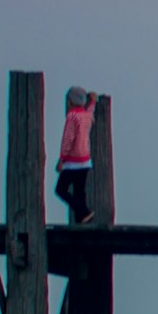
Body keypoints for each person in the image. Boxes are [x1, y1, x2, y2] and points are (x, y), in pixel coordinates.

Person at [54, 86, 96, 224]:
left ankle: (84, 212)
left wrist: (62, 160)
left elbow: (68, 139)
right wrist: (93, 102)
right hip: (85, 161)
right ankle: (83, 220)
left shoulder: (72, 117)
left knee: (60, 190)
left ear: (70, 101)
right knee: (79, 192)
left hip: (73, 162)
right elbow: (90, 111)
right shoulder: (87, 116)